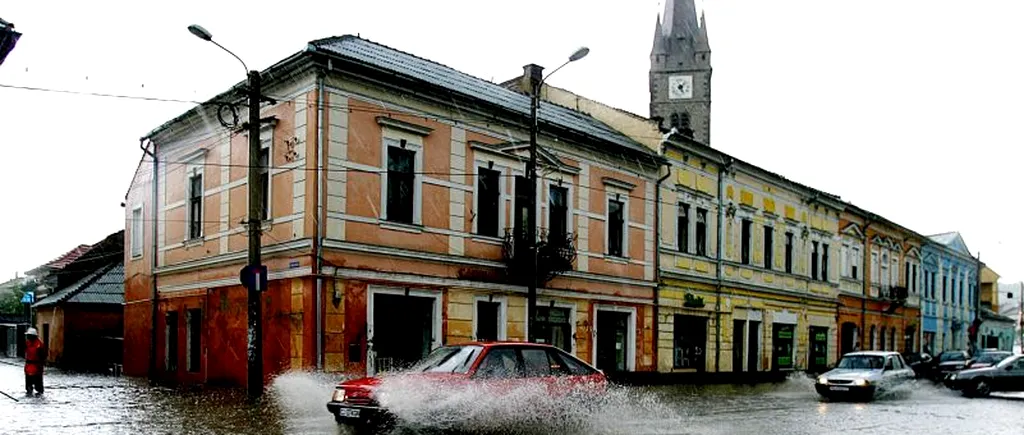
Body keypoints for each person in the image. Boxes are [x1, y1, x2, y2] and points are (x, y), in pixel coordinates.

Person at [24, 328, 46, 395]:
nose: (27, 337)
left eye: (28, 335)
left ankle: (39, 392)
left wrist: (40, 365)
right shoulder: (27, 343)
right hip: (28, 366)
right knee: (28, 383)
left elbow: (43, 356)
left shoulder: (39, 345)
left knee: (38, 384)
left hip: (36, 367)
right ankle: (29, 391)